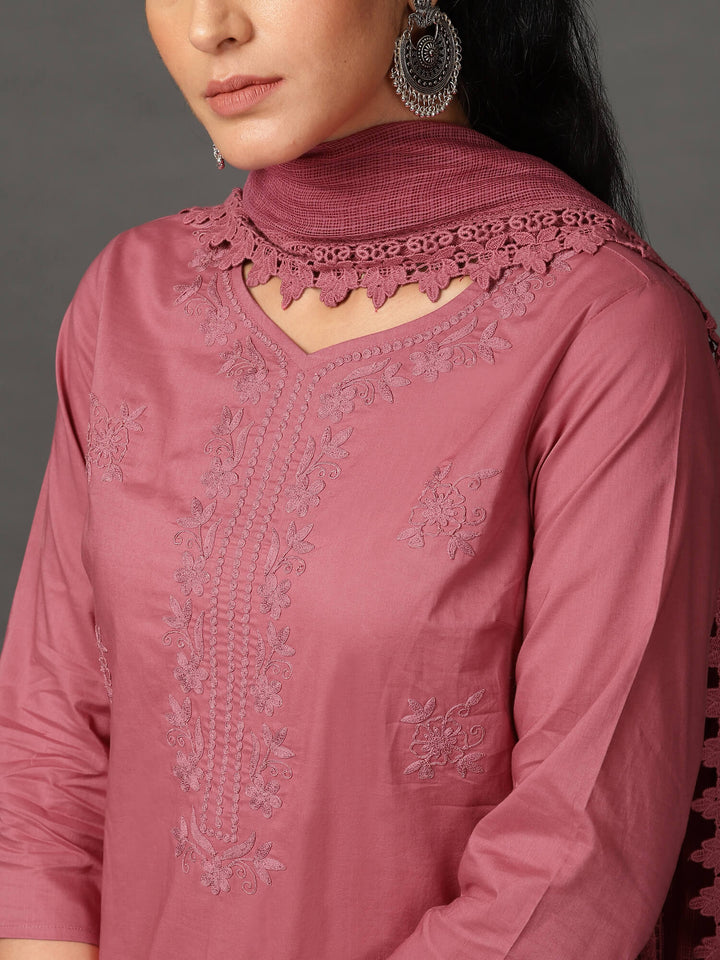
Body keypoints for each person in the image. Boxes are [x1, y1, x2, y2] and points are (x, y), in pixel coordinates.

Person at [0, 0, 719, 957]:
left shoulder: (607, 330)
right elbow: (45, 757)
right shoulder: (132, 299)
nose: (211, 26)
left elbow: (578, 858)